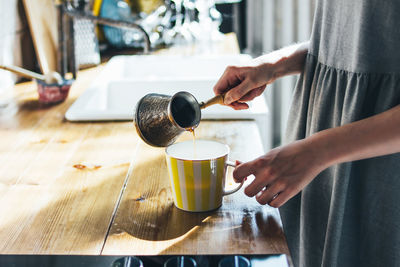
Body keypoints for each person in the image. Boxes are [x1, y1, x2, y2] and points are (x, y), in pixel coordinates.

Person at [213, 1, 400, 266]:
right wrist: (273, 65)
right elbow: (352, 37)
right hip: (318, 150)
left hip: (376, 173)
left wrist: (317, 150)